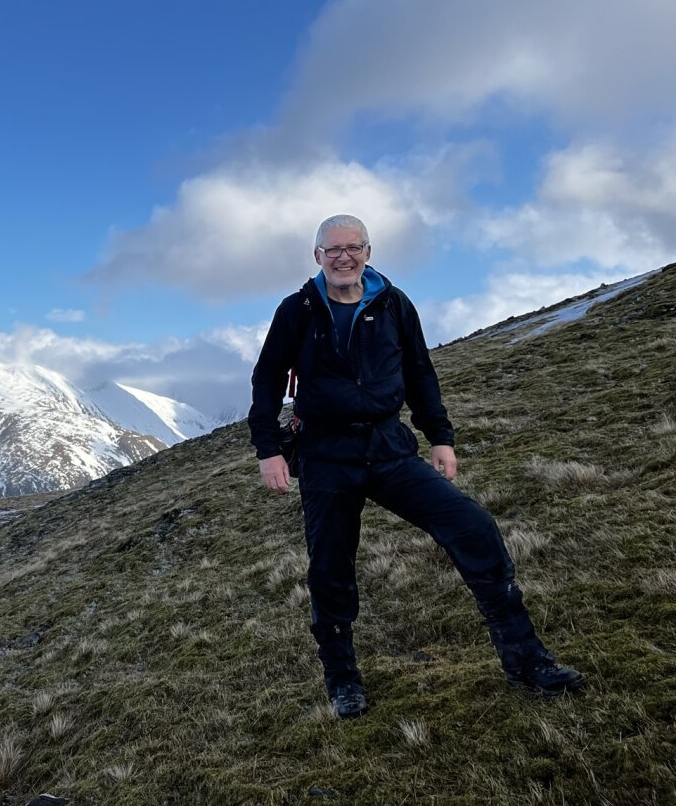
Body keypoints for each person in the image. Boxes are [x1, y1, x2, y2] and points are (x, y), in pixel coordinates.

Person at [248, 214, 582, 718]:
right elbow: (267, 379)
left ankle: (526, 660)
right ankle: (343, 681)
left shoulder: (393, 304)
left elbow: (420, 371)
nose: (343, 257)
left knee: (473, 528)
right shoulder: (297, 310)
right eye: (332, 249)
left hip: (389, 449)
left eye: (353, 247)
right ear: (317, 256)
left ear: (367, 250)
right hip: (326, 458)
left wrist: (440, 438)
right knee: (329, 571)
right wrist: (268, 449)